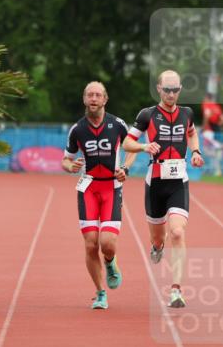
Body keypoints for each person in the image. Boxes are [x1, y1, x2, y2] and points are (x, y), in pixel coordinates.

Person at [122, 70, 205, 308]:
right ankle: (157, 246)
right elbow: (127, 142)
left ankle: (176, 290)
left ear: (180, 89)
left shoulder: (187, 113)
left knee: (177, 232)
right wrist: (144, 146)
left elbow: (191, 132)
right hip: (155, 182)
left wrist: (196, 151)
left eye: (175, 89)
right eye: (166, 89)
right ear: (158, 88)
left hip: (179, 180)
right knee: (158, 238)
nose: (171, 94)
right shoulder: (147, 114)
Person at [62, 81, 131, 310]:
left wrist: (125, 169)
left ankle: (110, 262)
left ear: (105, 99)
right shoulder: (77, 129)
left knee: (107, 243)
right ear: (84, 99)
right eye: (89, 95)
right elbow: (66, 158)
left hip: (111, 188)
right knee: (91, 245)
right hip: (89, 189)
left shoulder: (117, 124)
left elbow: (133, 148)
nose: (93, 99)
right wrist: (69, 166)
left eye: (97, 95)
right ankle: (100, 292)